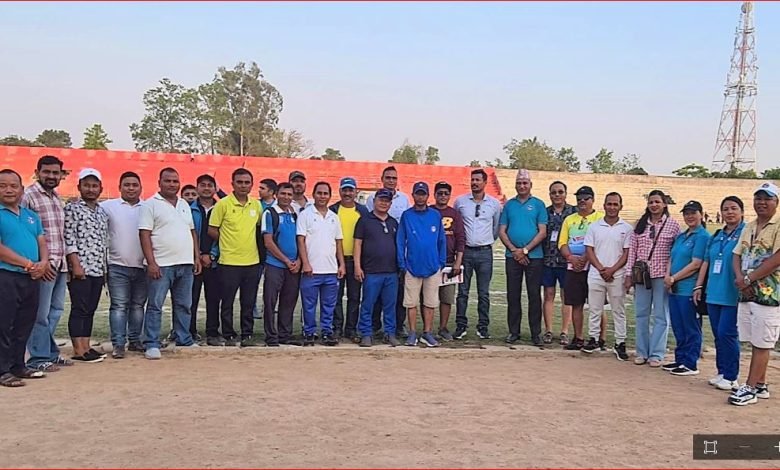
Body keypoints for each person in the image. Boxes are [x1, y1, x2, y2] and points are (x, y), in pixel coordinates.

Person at [138, 167, 201, 360]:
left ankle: (184, 339)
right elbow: (144, 234)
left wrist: (196, 257)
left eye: (175, 181)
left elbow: (191, 232)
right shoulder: (150, 204)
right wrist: (151, 262)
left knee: (184, 304)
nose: (172, 184)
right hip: (161, 264)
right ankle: (151, 343)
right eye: (168, 181)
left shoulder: (184, 204)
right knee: (155, 305)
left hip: (185, 263)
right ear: (159, 183)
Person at [729, 182, 780, 406]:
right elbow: (737, 254)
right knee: (754, 339)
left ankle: (749, 388)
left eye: (767, 198)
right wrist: (741, 278)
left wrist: (748, 279)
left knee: (763, 342)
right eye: (758, 198)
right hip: (747, 292)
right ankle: (760, 384)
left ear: (776, 202)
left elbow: (777, 258)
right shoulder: (749, 226)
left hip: (769, 294)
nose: (762, 202)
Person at [0, 169, 49, 387]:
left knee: (24, 323)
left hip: (30, 278)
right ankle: (2, 370)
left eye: (13, 186)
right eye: (2, 186)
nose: (8, 190)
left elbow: (41, 242)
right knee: (4, 324)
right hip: (6, 275)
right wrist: (28, 264)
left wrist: (43, 263)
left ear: (21, 189)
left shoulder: (31, 216)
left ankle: (18, 365)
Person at [23, 155, 71, 372]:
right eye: (47, 172)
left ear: (61, 175)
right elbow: (26, 234)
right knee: (39, 315)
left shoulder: (56, 198)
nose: (51, 176)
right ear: (37, 173)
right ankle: (37, 358)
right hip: (42, 265)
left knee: (56, 311)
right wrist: (38, 264)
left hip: (60, 264)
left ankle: (49, 353)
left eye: (55, 173)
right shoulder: (28, 197)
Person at [693, 196, 745, 390]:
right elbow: (706, 261)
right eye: (725, 209)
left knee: (727, 333)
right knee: (717, 334)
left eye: (733, 208)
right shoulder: (717, 235)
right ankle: (722, 371)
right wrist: (699, 286)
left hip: (732, 292)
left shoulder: (746, 233)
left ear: (742, 212)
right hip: (714, 291)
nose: (729, 212)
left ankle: (731, 376)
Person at [625, 189, 681, 367]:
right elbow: (633, 251)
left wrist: (671, 276)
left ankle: (656, 353)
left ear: (664, 204)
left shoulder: (673, 225)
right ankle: (642, 351)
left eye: (657, 202)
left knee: (661, 315)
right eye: (651, 202)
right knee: (641, 314)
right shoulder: (640, 225)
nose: (654, 205)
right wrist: (629, 274)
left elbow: (675, 252)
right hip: (642, 275)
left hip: (661, 275)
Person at [208, 168, 262, 347]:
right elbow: (212, 230)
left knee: (248, 302)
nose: (243, 186)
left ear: (251, 185)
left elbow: (258, 229)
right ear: (232, 184)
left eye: (247, 182)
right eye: (239, 182)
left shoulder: (256, 205)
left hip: (252, 262)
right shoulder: (222, 204)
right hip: (229, 262)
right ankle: (228, 334)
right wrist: (227, 241)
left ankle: (247, 334)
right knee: (227, 302)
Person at [63, 168, 109, 363]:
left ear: (100, 188)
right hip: (81, 267)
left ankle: (86, 346)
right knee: (79, 308)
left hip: (98, 268)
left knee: (90, 309)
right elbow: (69, 237)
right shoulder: (72, 209)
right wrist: (75, 264)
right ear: (79, 187)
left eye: (94, 185)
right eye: (86, 185)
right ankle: (78, 349)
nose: (90, 189)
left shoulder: (102, 212)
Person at [498, 169, 547, 345]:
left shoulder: (539, 204)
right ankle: (514, 332)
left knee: (534, 295)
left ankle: (535, 333)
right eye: (519, 183)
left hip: (534, 257)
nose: (522, 186)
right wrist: (514, 250)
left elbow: (542, 232)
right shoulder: (509, 205)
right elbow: (502, 231)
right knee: (513, 295)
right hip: (512, 257)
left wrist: (525, 250)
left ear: (530, 185)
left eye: (525, 183)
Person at [100, 172, 147, 359]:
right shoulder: (107, 207)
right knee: (119, 306)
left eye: (135, 185)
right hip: (117, 266)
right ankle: (118, 344)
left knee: (138, 306)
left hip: (143, 266)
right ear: (119, 187)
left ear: (141, 188)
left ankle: (135, 341)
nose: (131, 188)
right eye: (127, 185)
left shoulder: (148, 207)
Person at [663, 200, 710, 376]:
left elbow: (696, 264)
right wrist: (668, 277)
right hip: (674, 288)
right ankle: (680, 359)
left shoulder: (702, 236)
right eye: (687, 213)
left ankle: (690, 362)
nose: (689, 216)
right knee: (678, 326)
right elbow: (671, 257)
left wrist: (674, 278)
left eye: (693, 213)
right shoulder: (682, 236)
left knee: (691, 326)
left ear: (701, 214)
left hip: (688, 288)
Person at [583, 192, 632, 359]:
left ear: (620, 206)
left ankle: (620, 342)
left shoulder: (627, 228)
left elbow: (626, 253)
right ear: (604, 205)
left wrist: (612, 270)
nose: (612, 207)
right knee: (595, 308)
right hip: (597, 273)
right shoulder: (594, 226)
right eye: (609, 204)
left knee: (618, 309)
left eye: (615, 204)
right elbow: (589, 250)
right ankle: (593, 339)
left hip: (617, 274)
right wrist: (601, 269)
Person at [454, 168, 501, 340]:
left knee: (483, 292)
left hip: (484, 252)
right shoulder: (460, 202)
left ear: (485, 182)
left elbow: (496, 228)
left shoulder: (494, 204)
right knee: (463, 291)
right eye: (472, 179)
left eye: (478, 180)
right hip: (465, 252)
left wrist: (485, 240)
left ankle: (483, 326)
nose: (474, 182)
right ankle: (461, 325)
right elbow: (457, 225)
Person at [397, 182, 446, 347]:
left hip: (432, 267)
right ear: (413, 195)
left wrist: (441, 262)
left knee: (430, 303)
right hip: (412, 267)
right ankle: (412, 333)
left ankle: (427, 333)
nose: (420, 197)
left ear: (427, 196)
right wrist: (402, 264)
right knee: (411, 303)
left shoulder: (435, 215)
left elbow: (441, 240)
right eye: (417, 193)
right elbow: (400, 240)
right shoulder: (406, 215)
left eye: (423, 194)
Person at [297, 181, 346, 346]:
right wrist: (305, 263)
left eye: (325, 193)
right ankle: (309, 332)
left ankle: (327, 332)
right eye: (319, 193)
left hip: (330, 270)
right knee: (309, 305)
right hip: (311, 270)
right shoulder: (305, 215)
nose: (322, 196)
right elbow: (301, 240)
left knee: (329, 305)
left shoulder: (334, 217)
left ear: (330, 196)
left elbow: (338, 242)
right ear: (314, 194)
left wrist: (341, 264)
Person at [365, 166, 410, 336]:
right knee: (374, 295)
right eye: (388, 177)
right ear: (382, 179)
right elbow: (369, 222)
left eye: (394, 178)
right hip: (376, 252)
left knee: (398, 294)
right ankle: (374, 325)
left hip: (398, 252)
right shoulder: (371, 199)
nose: (391, 180)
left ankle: (398, 326)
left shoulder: (404, 199)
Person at [354, 188, 400, 347]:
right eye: (381, 200)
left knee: (390, 305)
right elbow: (357, 244)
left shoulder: (393, 222)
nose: (383, 203)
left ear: (390, 204)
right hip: (371, 271)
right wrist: (357, 266)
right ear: (374, 201)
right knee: (368, 304)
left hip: (391, 271)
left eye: (387, 201)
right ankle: (366, 333)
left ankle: (390, 333)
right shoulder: (364, 221)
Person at [560, 186, 605, 351]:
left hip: (594, 267)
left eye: (586, 198)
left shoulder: (600, 219)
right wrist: (571, 258)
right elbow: (562, 242)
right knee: (576, 303)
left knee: (597, 305)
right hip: (573, 267)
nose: (582, 201)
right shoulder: (569, 219)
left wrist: (586, 257)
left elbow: (600, 242)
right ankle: (578, 338)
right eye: (579, 199)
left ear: (593, 200)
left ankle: (600, 338)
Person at [261, 183, 301, 346]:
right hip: (274, 265)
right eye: (283, 193)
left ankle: (284, 335)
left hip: (293, 266)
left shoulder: (295, 214)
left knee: (289, 301)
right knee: (270, 301)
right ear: (276, 194)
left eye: (289, 194)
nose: (286, 197)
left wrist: (298, 261)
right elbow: (268, 242)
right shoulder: (269, 213)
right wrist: (285, 260)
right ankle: (271, 336)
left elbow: (300, 240)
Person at [329, 177, 369, 340]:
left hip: (356, 261)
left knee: (354, 296)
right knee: (335, 296)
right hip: (336, 260)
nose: (347, 193)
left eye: (350, 190)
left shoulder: (363, 211)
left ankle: (351, 329)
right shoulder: (333, 210)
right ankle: (337, 328)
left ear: (355, 192)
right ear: (340, 191)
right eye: (344, 190)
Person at [543, 181, 576, 345]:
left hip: (567, 261)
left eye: (560, 192)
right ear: (550, 194)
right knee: (548, 295)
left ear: (565, 193)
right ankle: (548, 330)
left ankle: (564, 331)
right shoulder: (545, 212)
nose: (557, 195)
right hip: (548, 260)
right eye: (554, 192)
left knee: (566, 296)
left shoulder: (573, 212)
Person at [430, 181, 465, 341]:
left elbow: (460, 239)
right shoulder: (429, 212)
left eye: (446, 193)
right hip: (430, 261)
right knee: (428, 297)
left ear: (450, 195)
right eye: (440, 193)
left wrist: (458, 261)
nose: (443, 196)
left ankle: (443, 328)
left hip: (449, 262)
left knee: (447, 298)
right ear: (434, 194)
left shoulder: (454, 214)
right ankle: (428, 329)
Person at [190, 174, 222, 346]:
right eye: (203, 185)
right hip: (194, 261)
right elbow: (188, 233)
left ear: (215, 189)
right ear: (197, 188)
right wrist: (198, 255)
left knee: (213, 298)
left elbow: (224, 234)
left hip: (214, 261)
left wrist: (212, 254)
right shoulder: (188, 209)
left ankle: (212, 332)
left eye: (210, 185)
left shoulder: (221, 207)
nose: (207, 188)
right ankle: (189, 331)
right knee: (191, 299)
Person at [252, 178, 278, 320]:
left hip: (275, 249)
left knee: (272, 281)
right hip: (258, 247)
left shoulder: (279, 206)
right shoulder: (255, 204)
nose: (259, 191)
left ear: (271, 191)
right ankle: (253, 307)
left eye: (262, 188)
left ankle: (270, 306)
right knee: (255, 279)